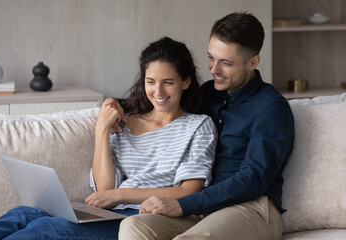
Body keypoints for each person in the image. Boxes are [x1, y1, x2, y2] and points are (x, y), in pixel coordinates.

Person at [0, 37, 217, 240]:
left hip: (142, 218)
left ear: (185, 82)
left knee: (46, 229)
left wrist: (119, 195)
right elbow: (105, 187)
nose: (158, 91)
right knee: (24, 214)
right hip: (109, 212)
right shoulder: (125, 121)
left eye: (168, 82)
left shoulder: (198, 126)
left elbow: (190, 191)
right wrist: (101, 129)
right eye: (150, 81)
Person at [118, 12, 295, 240]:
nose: (214, 69)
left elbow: (254, 178)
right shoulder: (209, 92)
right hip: (201, 209)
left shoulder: (272, 108)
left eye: (226, 63)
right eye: (211, 58)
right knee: (134, 227)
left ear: (253, 62)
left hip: (250, 208)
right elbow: (163, 98)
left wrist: (183, 204)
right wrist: (115, 106)